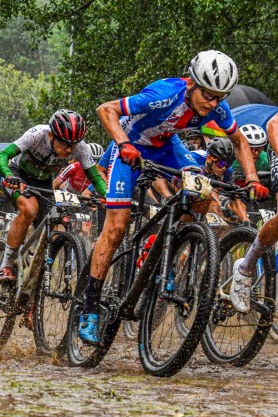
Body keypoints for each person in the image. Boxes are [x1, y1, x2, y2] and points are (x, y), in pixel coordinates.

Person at [78, 50, 269, 343]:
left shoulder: (217, 106)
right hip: (132, 147)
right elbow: (106, 110)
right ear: (192, 83)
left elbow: (239, 140)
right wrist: (124, 144)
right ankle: (89, 307)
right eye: (208, 95)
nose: (214, 103)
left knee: (202, 193)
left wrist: (253, 178)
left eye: (221, 96)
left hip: (168, 146)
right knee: (116, 227)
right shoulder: (164, 94)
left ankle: (170, 248)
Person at [0, 109, 106, 281]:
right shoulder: (37, 134)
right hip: (18, 175)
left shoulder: (81, 147)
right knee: (30, 209)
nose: (69, 149)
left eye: (73, 145)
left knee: (52, 232)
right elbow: (1, 156)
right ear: (52, 135)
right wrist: (8, 175)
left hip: (44, 182)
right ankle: (6, 265)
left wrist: (108, 196)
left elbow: (95, 177)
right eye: (64, 143)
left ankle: (33, 283)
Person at [230, 112, 278, 312]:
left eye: (259, 149)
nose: (256, 153)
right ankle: (245, 267)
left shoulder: (263, 161)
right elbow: (274, 124)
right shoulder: (232, 160)